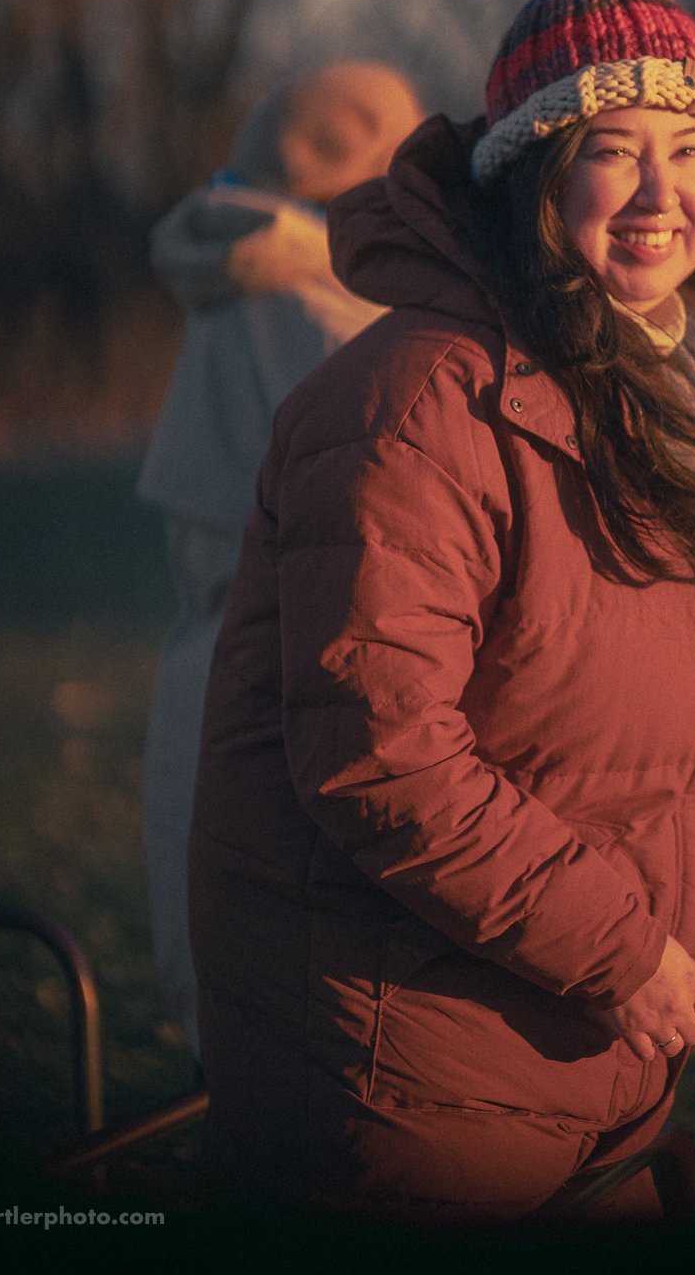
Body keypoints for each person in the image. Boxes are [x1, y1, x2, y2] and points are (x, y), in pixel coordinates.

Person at [188, 0, 695, 1222]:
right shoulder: (417, 404)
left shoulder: (673, 401)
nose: (659, 192)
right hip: (404, 1074)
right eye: (610, 152)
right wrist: (625, 959)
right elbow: (383, 757)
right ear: (531, 175)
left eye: (689, 149)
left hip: (598, 1062)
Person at [137, 61, 424, 1054]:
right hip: (312, 645)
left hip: (207, 637)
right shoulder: (334, 310)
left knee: (216, 937)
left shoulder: (222, 272)